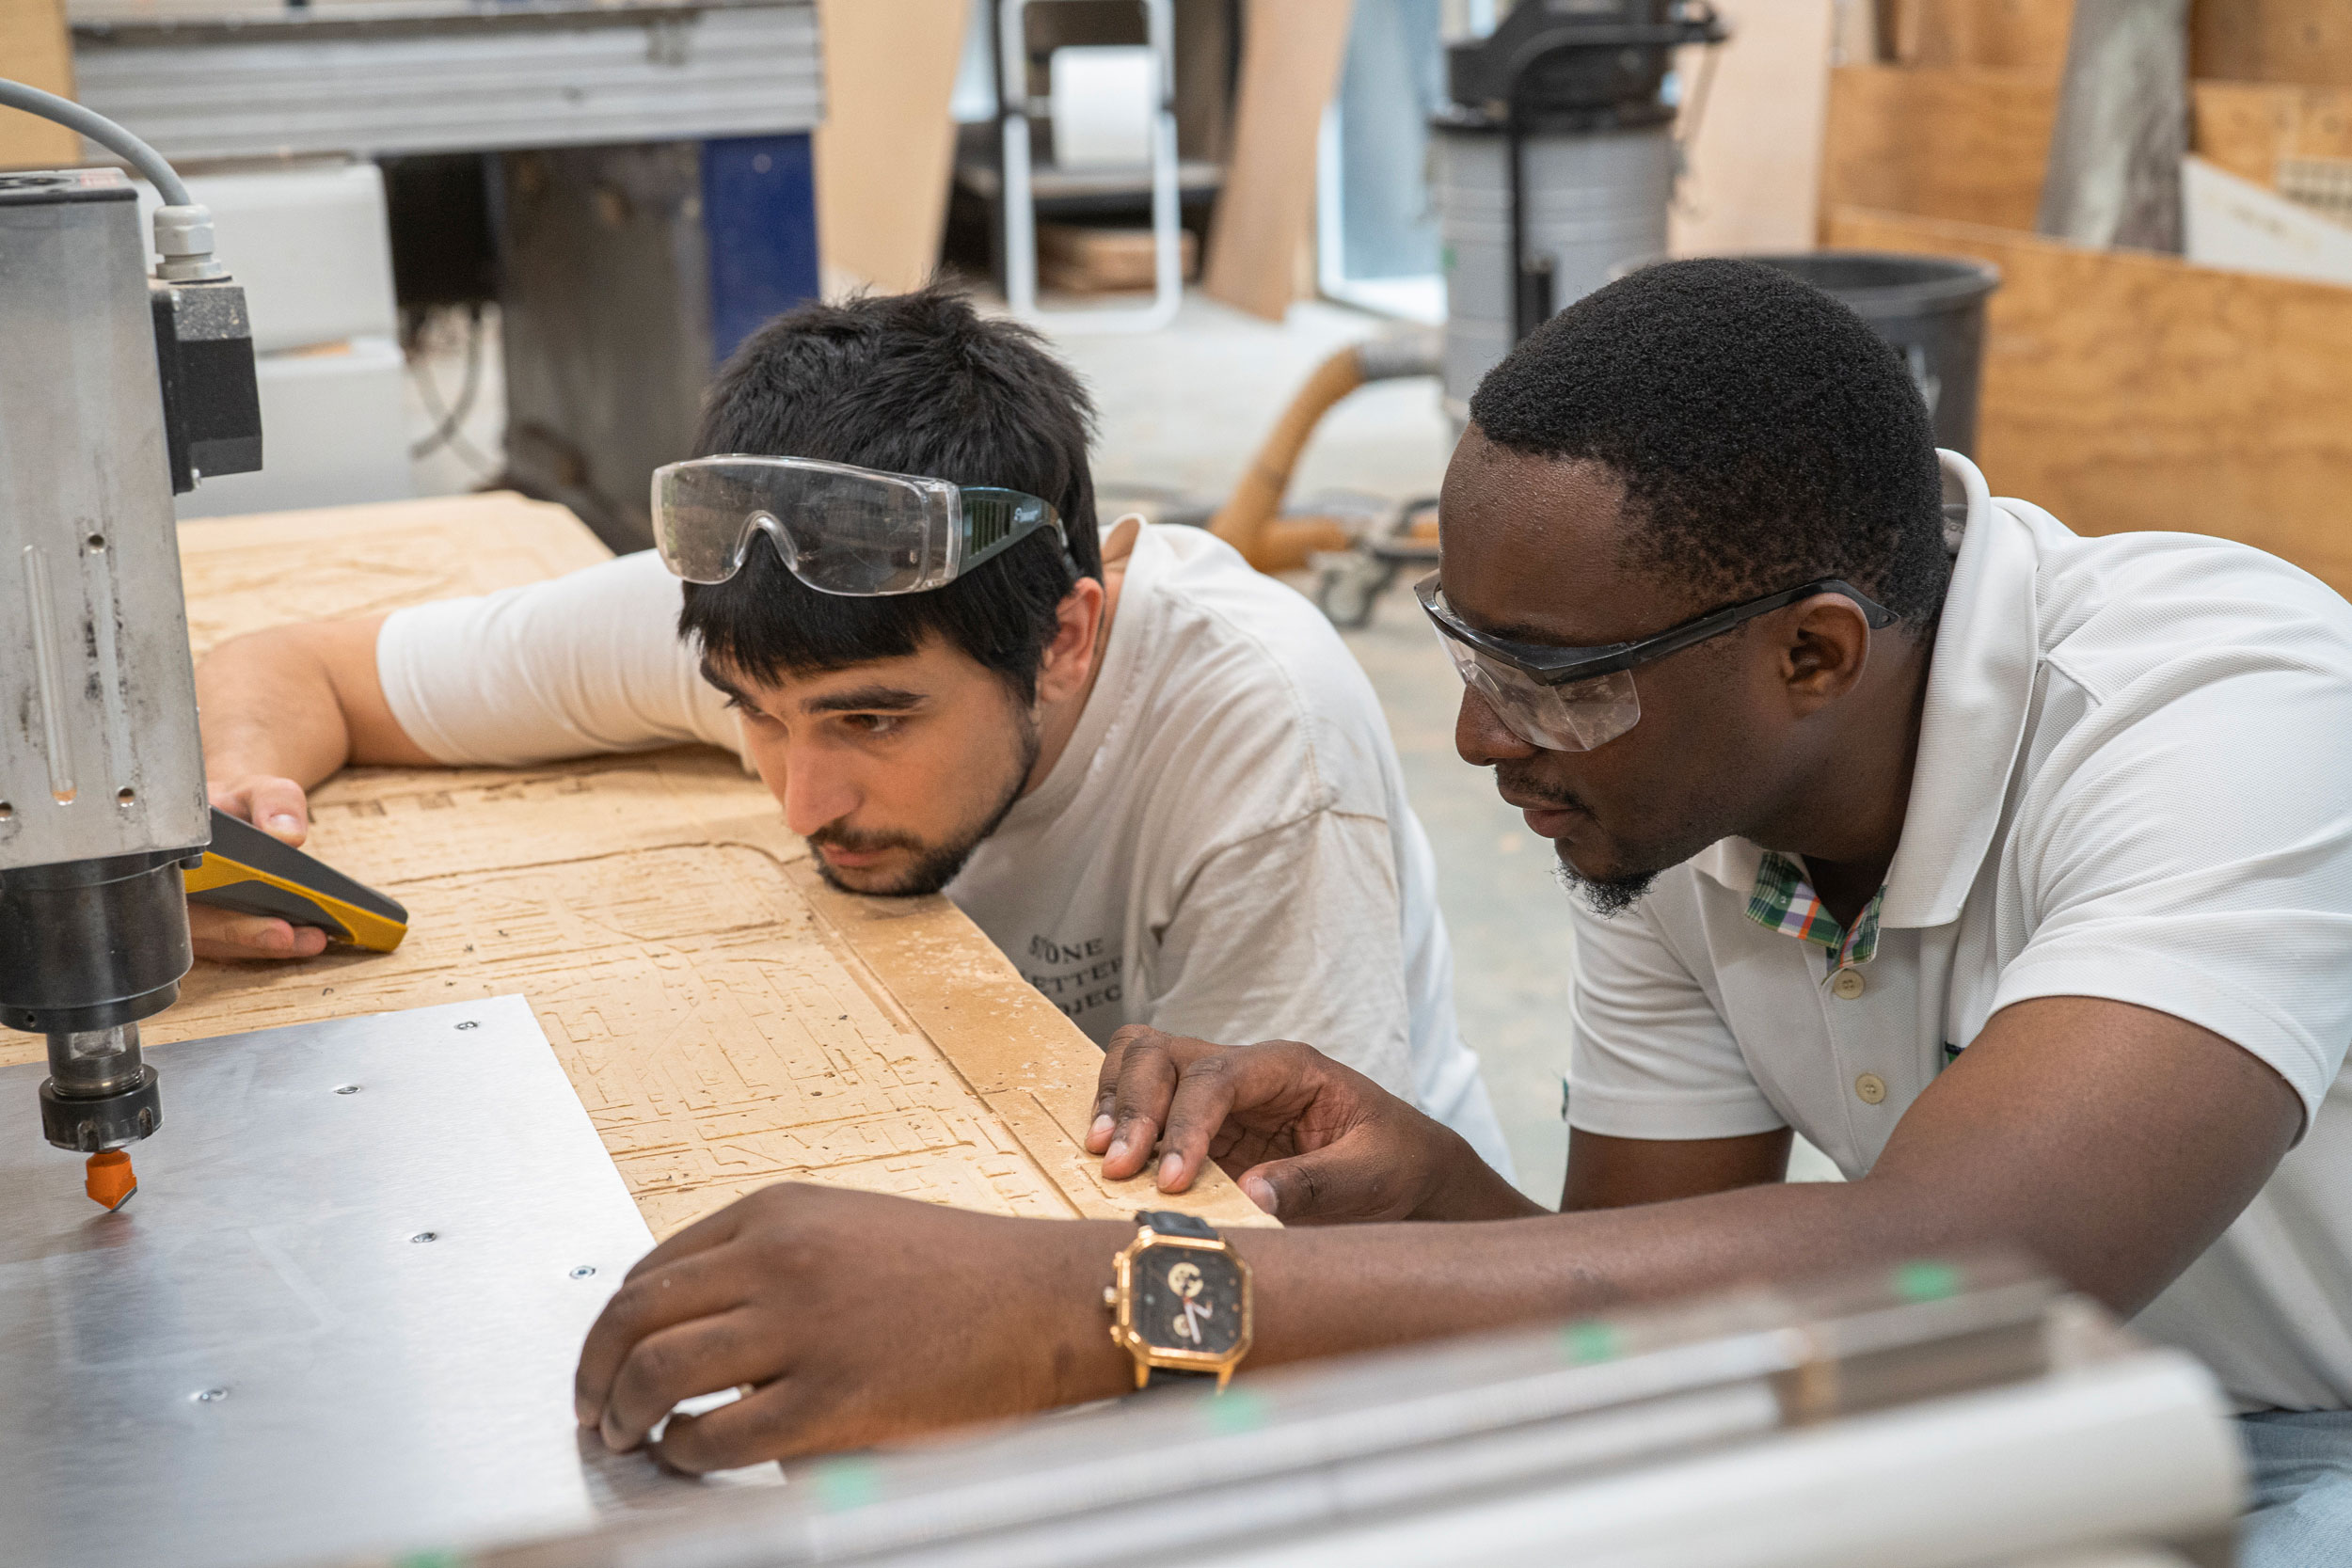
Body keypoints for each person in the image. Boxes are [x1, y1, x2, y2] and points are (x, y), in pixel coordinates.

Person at [569, 261, 2352, 1562]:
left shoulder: (2230, 721)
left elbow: (1962, 1265)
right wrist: (1438, 1192)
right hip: (2056, 1402)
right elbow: (1635, 1353)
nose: (1486, 740)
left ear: (1811, 651)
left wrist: (1103, 1297)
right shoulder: (1670, 793)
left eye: (1554, 681)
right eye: (1471, 654)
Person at [192, 286, 1510, 1171]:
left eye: (872, 720)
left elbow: (1280, 1259)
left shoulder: (1255, 741)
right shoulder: (773, 602)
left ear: (1066, 636)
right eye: (750, 717)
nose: (802, 797)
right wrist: (243, 825)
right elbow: (298, 668)